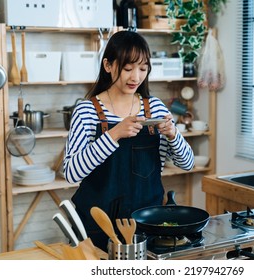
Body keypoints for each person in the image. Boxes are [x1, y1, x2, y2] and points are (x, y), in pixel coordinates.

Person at [63, 30, 194, 251]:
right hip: (97, 226)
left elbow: (187, 164)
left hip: (146, 225)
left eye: (143, 69)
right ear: (108, 65)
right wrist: (114, 134)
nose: (136, 77)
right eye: (127, 68)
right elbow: (71, 173)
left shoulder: (155, 108)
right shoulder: (87, 111)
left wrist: (173, 134)